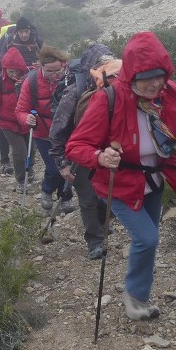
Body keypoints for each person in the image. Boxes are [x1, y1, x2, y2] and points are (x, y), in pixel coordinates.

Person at [65, 32, 176, 321]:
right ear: (131, 76)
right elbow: (75, 147)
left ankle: (140, 296)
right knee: (147, 239)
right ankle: (135, 299)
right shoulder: (108, 100)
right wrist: (99, 157)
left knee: (150, 239)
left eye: (159, 76)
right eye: (146, 78)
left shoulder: (172, 94)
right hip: (120, 184)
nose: (154, 83)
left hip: (155, 180)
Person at [49, 42, 120, 260]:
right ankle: (95, 241)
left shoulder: (117, 86)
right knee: (88, 198)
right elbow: (57, 129)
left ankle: (101, 224)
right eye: (101, 64)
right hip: (79, 152)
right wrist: (62, 163)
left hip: (108, 152)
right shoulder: (75, 92)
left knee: (105, 197)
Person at [16, 45, 75, 214]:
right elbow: (20, 110)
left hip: (65, 133)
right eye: (50, 71)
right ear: (41, 67)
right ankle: (47, 190)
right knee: (54, 167)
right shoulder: (32, 81)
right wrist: (26, 118)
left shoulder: (68, 79)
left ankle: (65, 195)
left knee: (68, 165)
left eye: (58, 70)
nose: (55, 75)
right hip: (42, 133)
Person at [0, 46, 35, 182]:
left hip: (27, 121)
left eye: (16, 71)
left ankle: (30, 170)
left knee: (31, 151)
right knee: (19, 152)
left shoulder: (29, 76)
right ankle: (21, 180)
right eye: (10, 71)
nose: (13, 74)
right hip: (7, 123)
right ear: (5, 68)